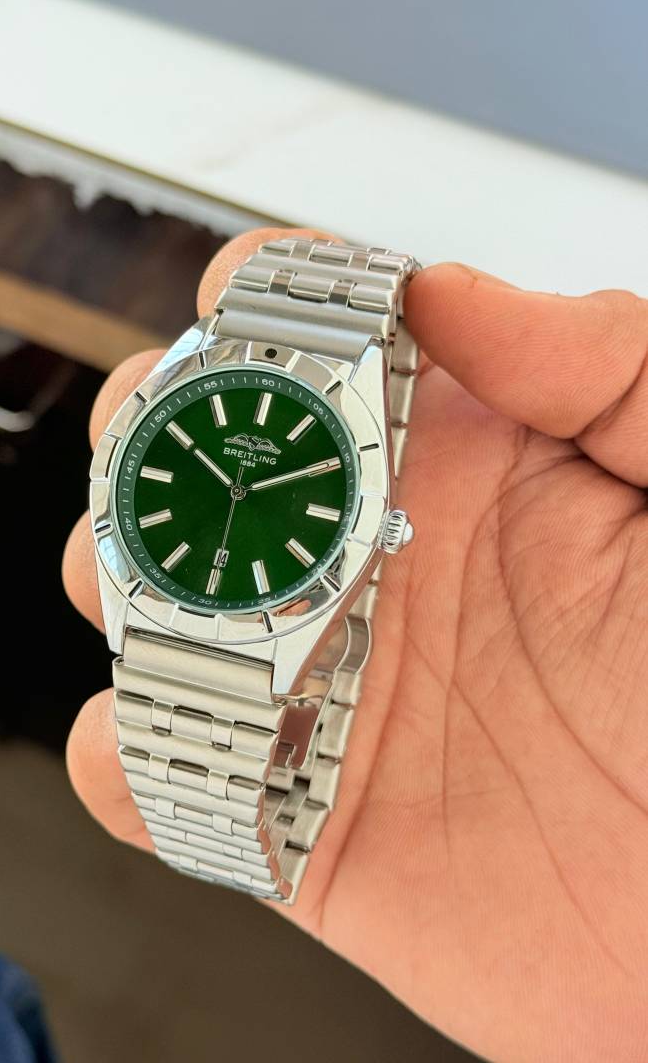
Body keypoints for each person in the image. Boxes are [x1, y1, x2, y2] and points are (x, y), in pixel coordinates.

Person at [62, 228, 648, 1063]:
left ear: (384, 529)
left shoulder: (367, 514)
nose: (239, 485)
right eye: (232, 477)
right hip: (170, 592)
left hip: (262, 613)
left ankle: (247, 819)